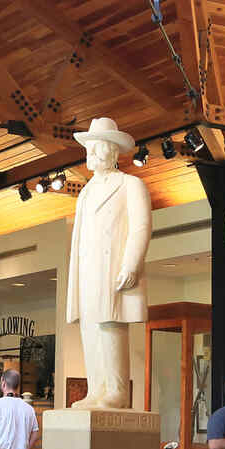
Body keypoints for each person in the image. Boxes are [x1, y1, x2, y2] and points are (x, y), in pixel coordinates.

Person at [65, 117, 152, 409]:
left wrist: (131, 265)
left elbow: (141, 227)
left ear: (109, 151)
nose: (89, 153)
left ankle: (116, 390)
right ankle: (96, 388)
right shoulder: (85, 192)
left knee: (110, 325)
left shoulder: (130, 184)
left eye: (94, 147)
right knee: (90, 328)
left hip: (112, 268)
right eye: (88, 148)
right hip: (88, 271)